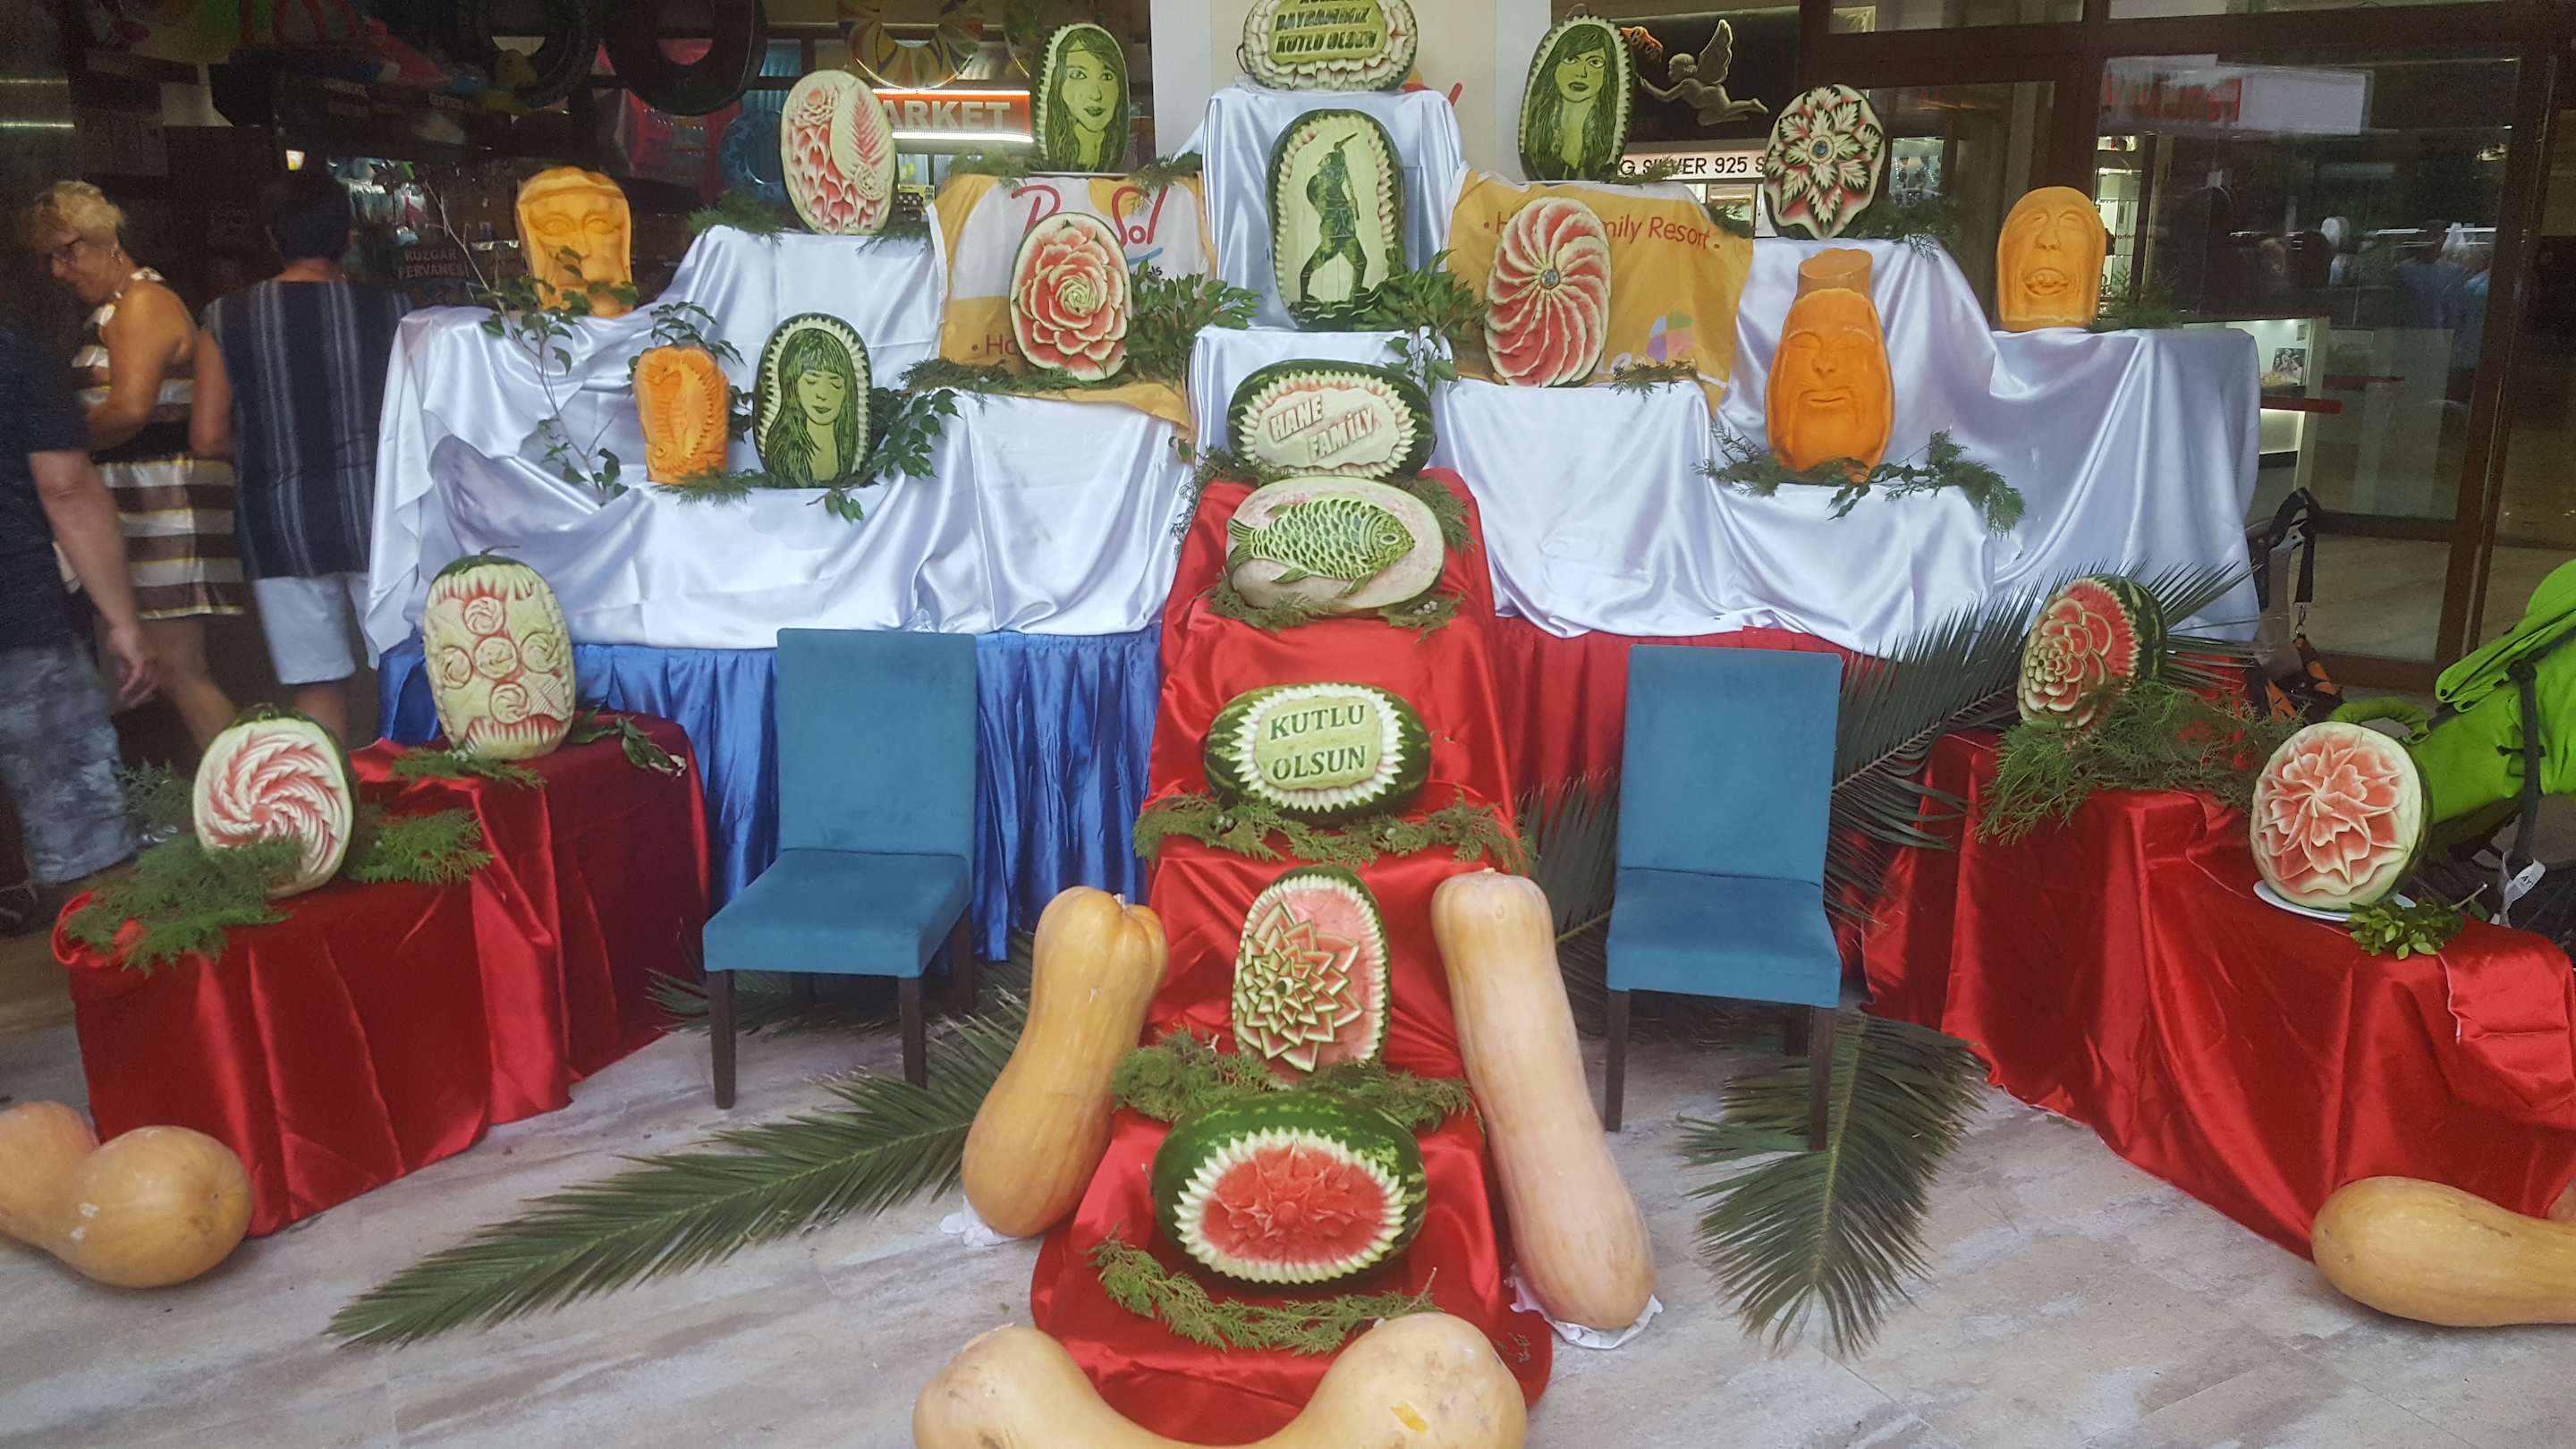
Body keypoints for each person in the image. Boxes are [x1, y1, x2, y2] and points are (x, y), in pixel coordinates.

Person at [28, 181, 245, 752]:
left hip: (164, 502)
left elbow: (128, 409)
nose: (58, 269)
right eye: (49, 257)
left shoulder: (142, 303)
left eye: (67, 251)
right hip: (147, 500)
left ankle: (251, 792)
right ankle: (225, 785)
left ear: (106, 238)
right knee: (166, 672)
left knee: (180, 669)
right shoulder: (118, 307)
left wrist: (51, 444)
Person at [192, 167, 404, 744]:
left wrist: (270, 450)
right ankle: (418, 787)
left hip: (279, 521)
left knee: (316, 682)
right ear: (348, 236)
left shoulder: (225, 317)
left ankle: (333, 792)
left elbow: (206, 437)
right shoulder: (392, 311)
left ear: (272, 238)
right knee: (405, 668)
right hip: (380, 516)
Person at [0, 318, 160, 919]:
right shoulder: (16, 353)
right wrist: (123, 620)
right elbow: (65, 488)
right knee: (86, 852)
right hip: (20, 624)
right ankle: (109, 970)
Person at [763, 326, 864, 486]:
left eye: (835, 384)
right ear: (792, 385)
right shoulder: (780, 451)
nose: (823, 394)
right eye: (811, 382)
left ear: (847, 390)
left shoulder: (851, 447)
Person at [1524, 24, 1617, 180]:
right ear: (1554, 65)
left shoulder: (1610, 135)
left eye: (1595, 62)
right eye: (1571, 59)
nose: (1581, 73)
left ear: (1608, 72)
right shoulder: (1536, 133)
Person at [1043, 27, 1127, 172]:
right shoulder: (1054, 152)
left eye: (1106, 76)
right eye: (1078, 75)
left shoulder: (1118, 153)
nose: (1096, 95)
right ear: (1057, 84)